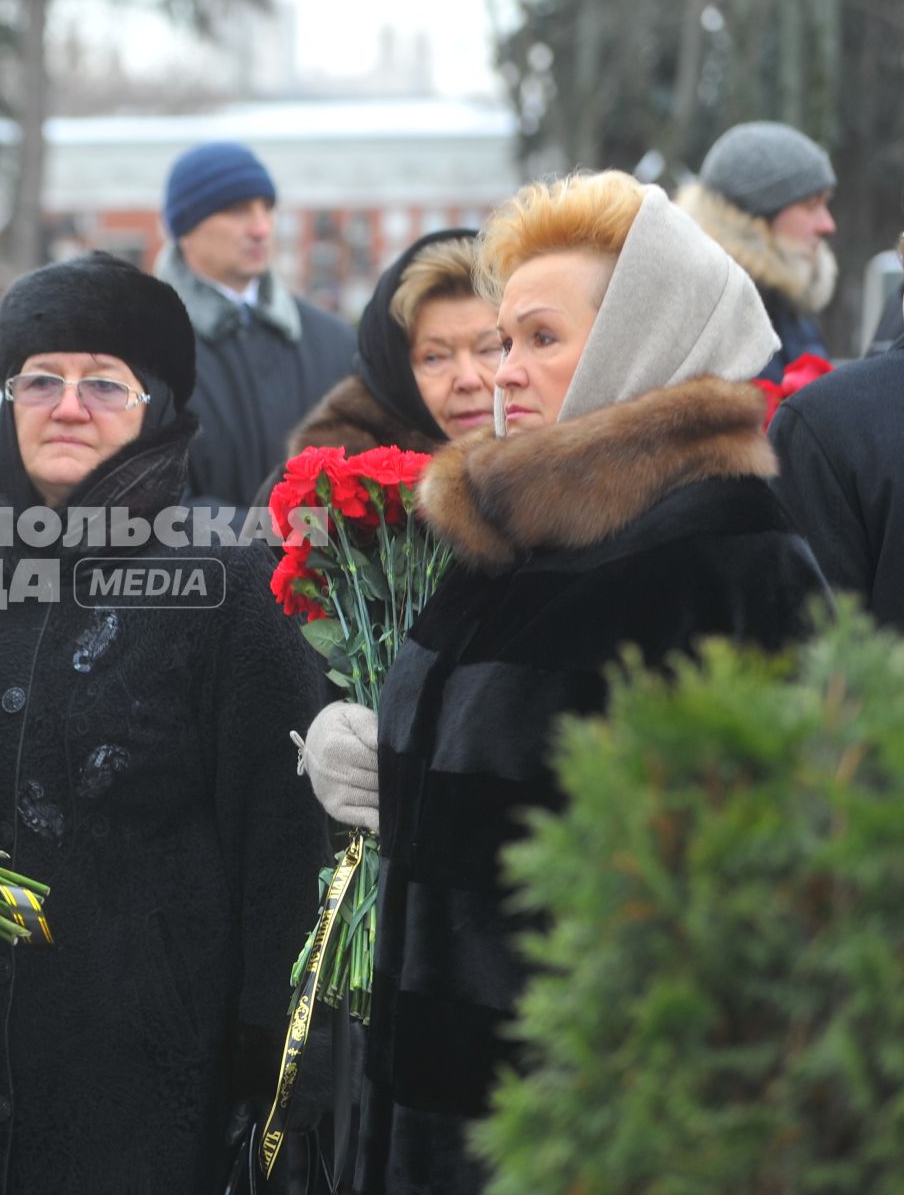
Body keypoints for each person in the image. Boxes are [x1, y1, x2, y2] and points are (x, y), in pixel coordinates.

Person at [299, 172, 827, 1193]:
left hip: (587, 1130)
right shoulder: (516, 538)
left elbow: (764, 914)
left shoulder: (726, 557)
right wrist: (379, 761)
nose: (503, 371)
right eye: (502, 339)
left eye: (543, 337)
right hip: (436, 1121)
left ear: (646, 334)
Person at [0, 252, 330, 1192]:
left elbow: (284, 855)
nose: (68, 405)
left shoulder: (227, 585)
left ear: (159, 403)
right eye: (41, 379)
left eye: (106, 381)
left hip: (145, 1102)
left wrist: (270, 1093)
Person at [153, 141, 355, 506]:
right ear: (185, 228)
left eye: (267, 208)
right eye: (235, 210)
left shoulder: (334, 342)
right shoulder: (142, 349)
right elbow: (152, 506)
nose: (261, 228)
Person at [768, 232, 904, 626]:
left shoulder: (825, 423)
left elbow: (810, 654)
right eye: (812, 203)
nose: (827, 223)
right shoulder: (825, 424)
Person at [285, 229, 501, 458]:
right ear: (395, 374)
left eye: (489, 350)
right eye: (434, 357)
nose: (468, 380)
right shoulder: (327, 485)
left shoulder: (539, 475)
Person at [677, 120, 838, 381]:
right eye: (811, 205)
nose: (828, 225)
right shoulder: (711, 319)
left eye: (825, 204)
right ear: (758, 218)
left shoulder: (791, 305)